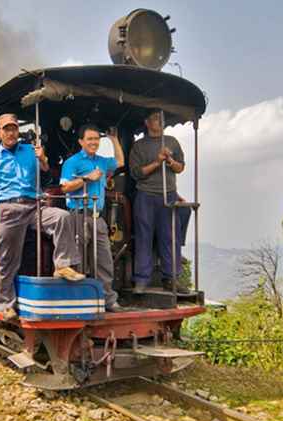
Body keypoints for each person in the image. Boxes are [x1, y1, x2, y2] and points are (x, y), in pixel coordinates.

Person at [0, 113, 85, 322]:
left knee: (62, 217)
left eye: (14, 128)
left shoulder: (31, 151)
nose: (11, 132)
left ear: (18, 131)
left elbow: (47, 176)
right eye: (6, 129)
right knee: (5, 258)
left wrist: (44, 160)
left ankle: (63, 265)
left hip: (35, 206)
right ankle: (6, 305)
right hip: (8, 209)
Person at [60, 124, 124, 312]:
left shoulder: (103, 162)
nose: (94, 142)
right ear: (81, 141)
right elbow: (64, 188)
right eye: (90, 139)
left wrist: (113, 139)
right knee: (78, 260)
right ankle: (77, 301)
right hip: (78, 215)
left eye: (96, 139)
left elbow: (120, 161)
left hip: (98, 217)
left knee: (104, 260)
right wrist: (87, 178)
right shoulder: (72, 162)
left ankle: (108, 299)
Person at [129, 108, 189, 294]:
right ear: (147, 122)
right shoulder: (139, 146)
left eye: (161, 118)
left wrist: (169, 160)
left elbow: (180, 168)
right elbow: (136, 173)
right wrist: (157, 161)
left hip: (168, 194)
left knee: (170, 237)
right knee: (143, 238)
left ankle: (171, 278)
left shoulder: (172, 142)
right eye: (155, 118)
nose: (160, 121)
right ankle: (141, 280)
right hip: (146, 195)